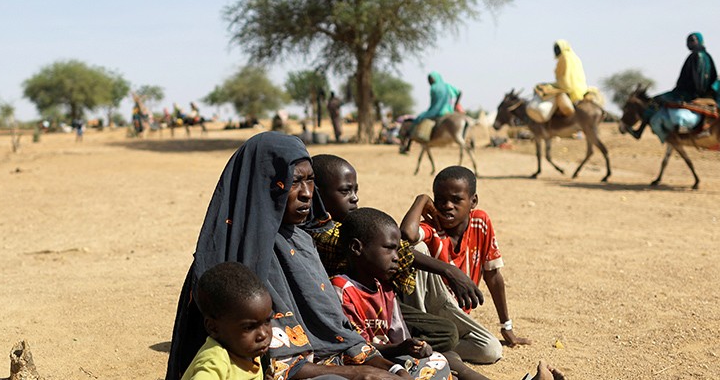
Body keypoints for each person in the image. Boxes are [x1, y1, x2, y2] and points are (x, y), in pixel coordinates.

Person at [167, 132, 429, 380]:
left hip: (332, 360)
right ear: (264, 183)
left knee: (431, 364)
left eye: (310, 179)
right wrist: (359, 373)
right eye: (294, 181)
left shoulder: (302, 240)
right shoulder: (239, 255)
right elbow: (274, 363)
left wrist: (390, 367)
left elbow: (339, 334)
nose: (307, 193)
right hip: (288, 372)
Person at [332, 208, 489, 380]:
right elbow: (356, 348)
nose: (396, 257)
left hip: (389, 360)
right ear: (356, 248)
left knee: (438, 362)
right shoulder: (342, 289)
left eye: (397, 250)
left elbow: (399, 338)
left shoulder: (385, 289)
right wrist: (400, 351)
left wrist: (414, 348)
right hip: (362, 366)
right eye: (389, 249)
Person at [399, 166, 530, 365]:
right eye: (440, 200)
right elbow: (406, 235)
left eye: (456, 199)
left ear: (473, 201)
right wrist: (422, 199)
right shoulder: (433, 227)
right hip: (426, 305)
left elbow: (493, 276)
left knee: (490, 349)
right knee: (417, 248)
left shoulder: (481, 222)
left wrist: (506, 325)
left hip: (452, 311)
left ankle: (431, 345)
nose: (447, 206)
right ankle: (414, 336)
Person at [181, 262, 273, 380]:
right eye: (249, 327)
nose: (263, 334)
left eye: (267, 321)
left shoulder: (245, 351)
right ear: (213, 327)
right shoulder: (214, 363)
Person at [404, 72, 463, 153]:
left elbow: (433, 103)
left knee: (419, 118)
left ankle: (421, 140)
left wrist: (431, 111)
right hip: (449, 110)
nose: (429, 82)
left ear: (435, 79)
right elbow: (459, 92)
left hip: (437, 111)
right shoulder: (447, 86)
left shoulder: (433, 88)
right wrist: (455, 104)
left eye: (430, 80)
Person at [532, 40, 588, 120]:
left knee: (541, 88)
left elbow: (563, 76)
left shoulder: (564, 58)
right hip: (581, 88)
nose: (556, 51)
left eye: (557, 48)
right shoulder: (575, 57)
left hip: (567, 86)